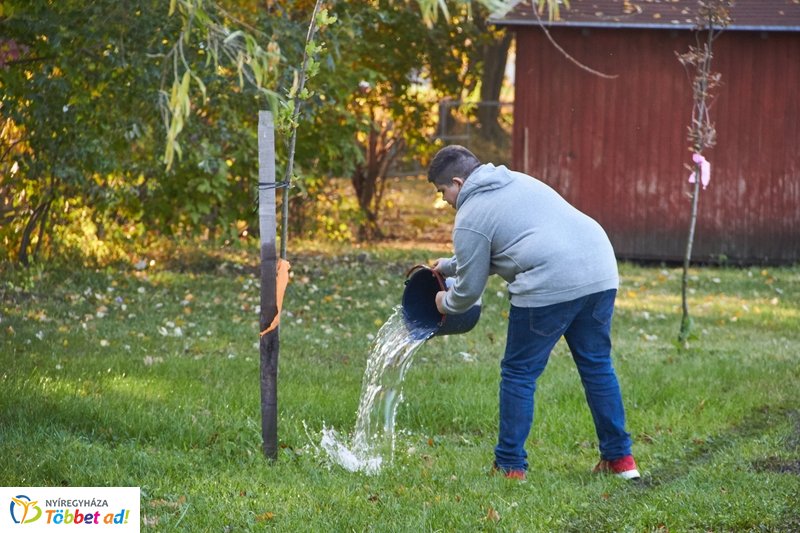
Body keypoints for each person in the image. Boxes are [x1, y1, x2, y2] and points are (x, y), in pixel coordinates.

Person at [428, 145, 639, 481]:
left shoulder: (470, 214)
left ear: (457, 181)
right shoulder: (515, 182)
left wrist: (444, 303)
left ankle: (510, 466)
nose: (444, 201)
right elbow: (507, 247)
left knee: (519, 372)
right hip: (599, 267)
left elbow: (467, 291)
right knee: (597, 366)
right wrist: (450, 265)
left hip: (551, 278)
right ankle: (620, 461)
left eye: (443, 192)